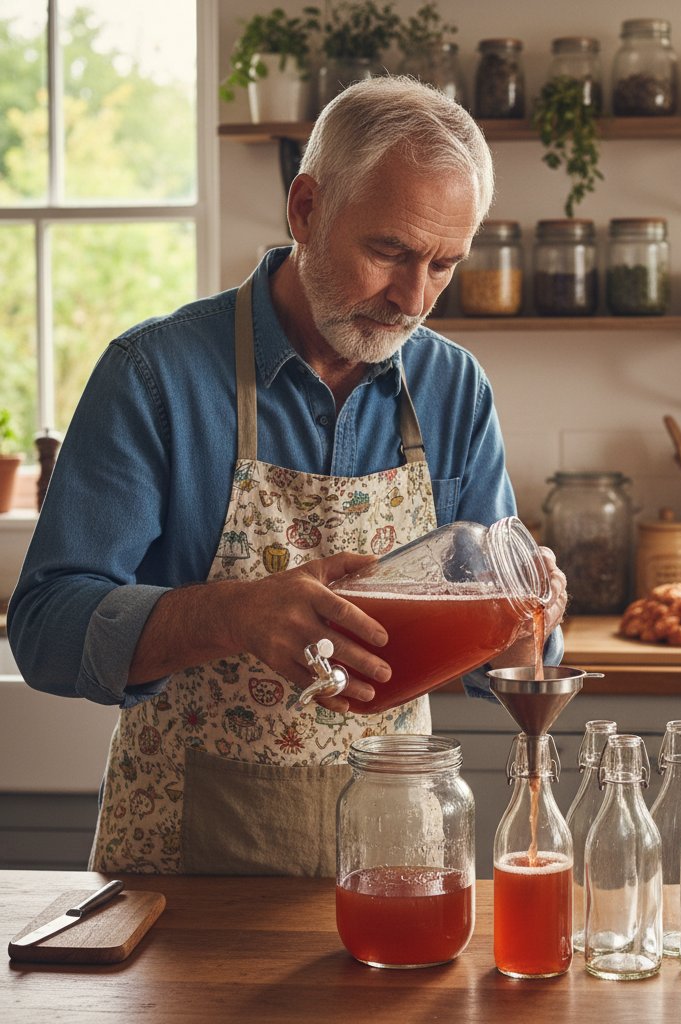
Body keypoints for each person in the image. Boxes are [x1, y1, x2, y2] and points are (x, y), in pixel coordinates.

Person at [8, 77, 567, 876]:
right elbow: (46, 629)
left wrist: (530, 625)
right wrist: (232, 616)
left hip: (391, 867)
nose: (414, 298)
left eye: (444, 265)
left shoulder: (454, 390)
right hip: (182, 876)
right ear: (305, 209)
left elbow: (502, 661)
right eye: (390, 252)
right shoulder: (155, 375)